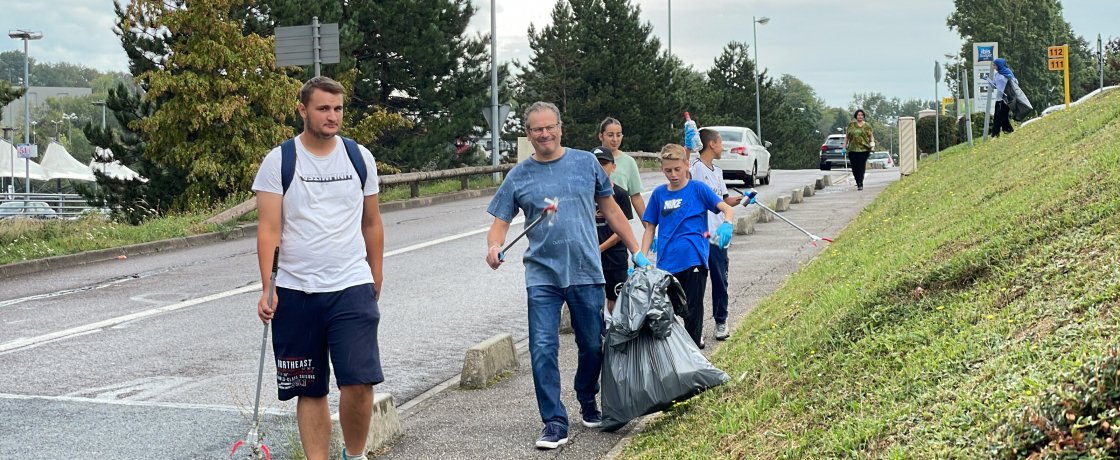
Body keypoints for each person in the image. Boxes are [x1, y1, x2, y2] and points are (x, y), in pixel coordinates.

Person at [485, 102, 651, 449]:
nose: (544, 134)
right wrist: (494, 246)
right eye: (536, 130)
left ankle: (587, 399)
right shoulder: (519, 175)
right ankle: (554, 421)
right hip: (542, 275)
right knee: (543, 348)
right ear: (528, 135)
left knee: (593, 344)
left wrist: (637, 251)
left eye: (550, 127)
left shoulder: (585, 163)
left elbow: (612, 210)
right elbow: (499, 223)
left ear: (560, 128)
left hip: (586, 271)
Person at [252, 76, 384, 460]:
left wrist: (375, 274)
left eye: (338, 108)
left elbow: (372, 222)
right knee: (310, 389)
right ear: (303, 110)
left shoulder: (359, 157)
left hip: (351, 285)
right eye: (323, 108)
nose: (332, 116)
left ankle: (354, 455)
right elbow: (269, 228)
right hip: (295, 290)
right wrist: (267, 287)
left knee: (359, 382)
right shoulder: (279, 161)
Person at [642, 143, 735, 349]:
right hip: (666, 263)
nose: (673, 174)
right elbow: (650, 228)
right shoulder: (659, 194)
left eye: (677, 169)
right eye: (668, 170)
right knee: (667, 313)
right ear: (662, 169)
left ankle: (694, 354)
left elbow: (726, 208)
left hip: (693, 259)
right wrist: (641, 256)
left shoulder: (698, 189)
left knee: (692, 312)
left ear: (686, 165)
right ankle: (676, 357)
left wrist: (727, 223)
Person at [689, 129, 743, 341]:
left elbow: (723, 200)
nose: (723, 146)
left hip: (719, 235)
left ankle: (721, 321)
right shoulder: (696, 168)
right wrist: (687, 147)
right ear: (711, 143)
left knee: (721, 280)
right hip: (700, 234)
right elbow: (683, 176)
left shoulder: (717, 172)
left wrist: (743, 199)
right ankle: (695, 329)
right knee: (696, 284)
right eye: (720, 142)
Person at [591, 146, 634, 317]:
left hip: (615, 257)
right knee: (592, 303)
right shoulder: (585, 194)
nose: (600, 168)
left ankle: (615, 338)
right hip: (590, 258)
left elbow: (622, 231)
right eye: (596, 164)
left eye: (604, 164)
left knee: (615, 302)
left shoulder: (620, 194)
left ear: (613, 167)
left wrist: (600, 248)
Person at [598, 118, 646, 219]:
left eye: (618, 135)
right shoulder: (591, 159)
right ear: (601, 136)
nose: (615, 139)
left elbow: (636, 197)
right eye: (610, 135)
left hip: (619, 220)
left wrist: (649, 229)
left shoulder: (629, 162)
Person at [842, 109, 875, 191]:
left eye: (861, 115)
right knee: (854, 167)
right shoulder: (851, 125)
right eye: (858, 115)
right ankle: (857, 181)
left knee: (861, 167)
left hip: (863, 149)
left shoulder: (867, 126)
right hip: (852, 149)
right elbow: (847, 137)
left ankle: (860, 183)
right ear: (856, 116)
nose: (860, 116)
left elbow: (871, 136)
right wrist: (844, 147)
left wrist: (872, 144)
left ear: (863, 116)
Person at [989, 58, 1015, 138]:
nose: (994, 67)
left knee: (1001, 116)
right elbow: (994, 84)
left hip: (1006, 98)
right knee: (997, 116)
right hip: (998, 98)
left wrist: (1010, 78)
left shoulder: (1007, 72)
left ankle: (995, 133)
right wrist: (989, 82)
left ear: (999, 65)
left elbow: (1015, 82)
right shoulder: (997, 74)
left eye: (995, 65)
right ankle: (1008, 130)